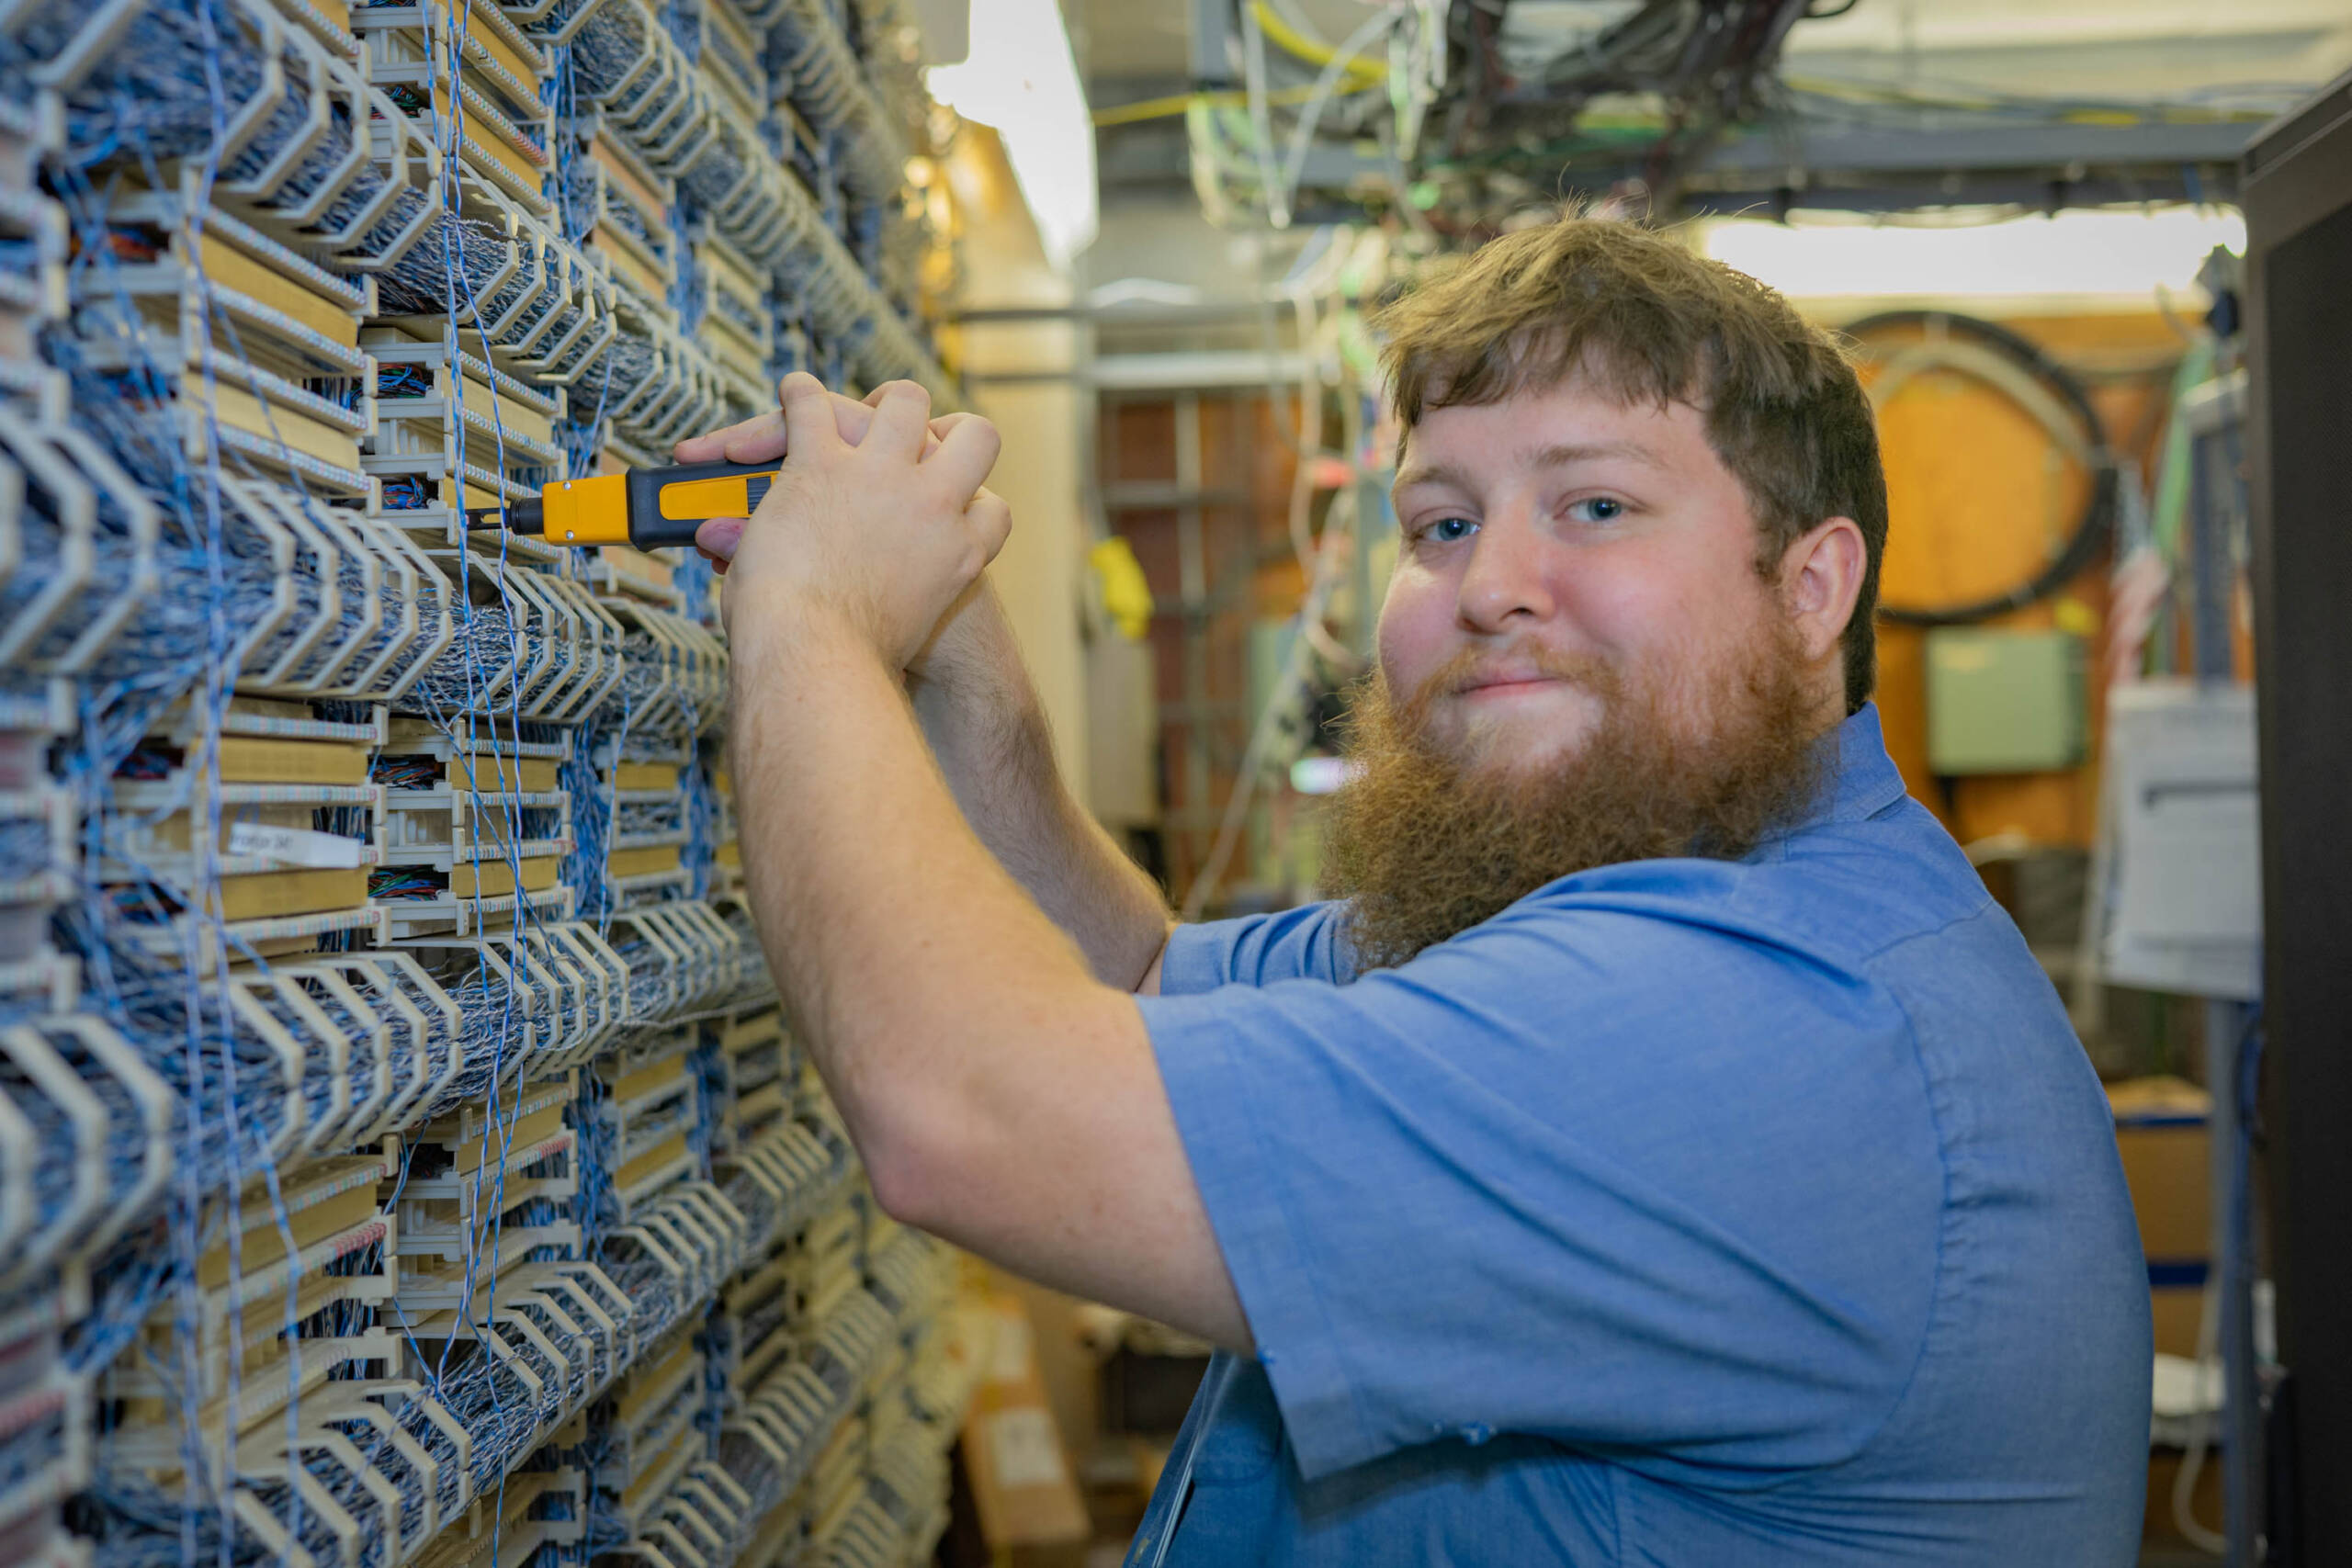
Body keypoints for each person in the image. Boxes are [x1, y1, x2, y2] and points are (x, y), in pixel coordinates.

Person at [678, 215, 2151, 1566]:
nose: (1491, 582)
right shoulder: (1655, 891)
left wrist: (812, 615)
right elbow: (1128, 993)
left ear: (1813, 586)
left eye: (1594, 506)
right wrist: (953, 658)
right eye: (1442, 522)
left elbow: (968, 1117)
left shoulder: (1778, 1022)